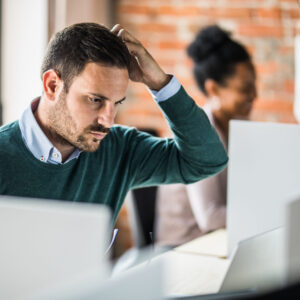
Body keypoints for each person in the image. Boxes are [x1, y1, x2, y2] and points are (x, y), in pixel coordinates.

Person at [0, 23, 227, 225]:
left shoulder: (119, 148)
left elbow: (208, 161)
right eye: (95, 100)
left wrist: (159, 83)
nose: (107, 120)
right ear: (52, 86)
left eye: (116, 102)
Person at [155, 25, 257, 247]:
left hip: (220, 241)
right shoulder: (200, 133)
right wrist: (265, 210)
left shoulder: (240, 125)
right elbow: (210, 216)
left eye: (254, 85)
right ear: (214, 89)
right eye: (244, 88)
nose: (254, 95)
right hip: (182, 247)